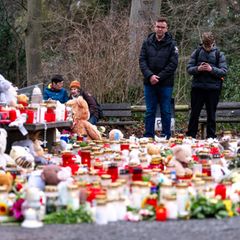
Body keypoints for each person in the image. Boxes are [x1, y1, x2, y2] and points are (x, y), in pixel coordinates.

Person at [139, 17, 178, 139]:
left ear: (166, 29)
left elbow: (173, 64)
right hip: (149, 83)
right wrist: (150, 75)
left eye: (162, 27)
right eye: (158, 26)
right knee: (150, 111)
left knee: (166, 110)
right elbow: (142, 60)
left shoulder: (172, 44)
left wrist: (159, 77)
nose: (160, 29)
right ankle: (148, 136)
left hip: (165, 84)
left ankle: (166, 136)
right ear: (154, 27)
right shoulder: (146, 42)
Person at [186, 32, 228, 139]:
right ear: (202, 43)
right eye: (206, 45)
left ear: (213, 42)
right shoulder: (196, 52)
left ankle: (211, 138)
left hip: (213, 89)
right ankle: (191, 137)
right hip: (197, 88)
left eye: (209, 45)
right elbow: (189, 69)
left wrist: (211, 69)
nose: (207, 47)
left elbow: (223, 71)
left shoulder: (219, 54)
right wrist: (198, 69)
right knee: (194, 114)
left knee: (211, 115)